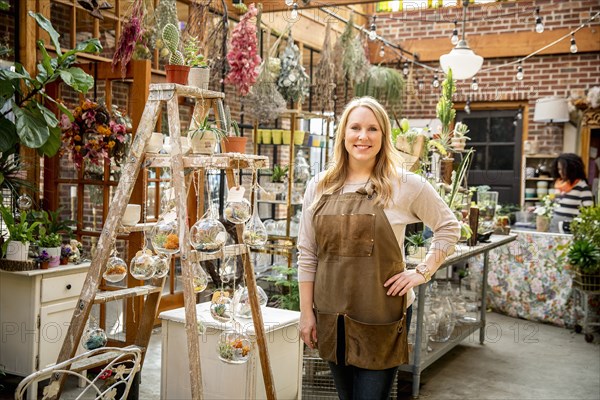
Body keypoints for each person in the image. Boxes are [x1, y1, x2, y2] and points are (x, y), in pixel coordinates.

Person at [297, 97, 460, 399]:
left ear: (384, 136)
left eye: (372, 129)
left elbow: (450, 228)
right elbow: (307, 254)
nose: (363, 136)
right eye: (355, 128)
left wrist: (422, 272)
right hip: (332, 316)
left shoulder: (406, 185)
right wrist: (307, 313)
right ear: (343, 134)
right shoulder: (318, 187)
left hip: (382, 316)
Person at [551, 153, 594, 232]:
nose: (560, 172)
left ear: (571, 169)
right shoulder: (559, 185)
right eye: (559, 169)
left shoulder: (582, 187)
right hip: (554, 227)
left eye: (563, 169)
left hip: (569, 230)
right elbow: (555, 206)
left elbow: (589, 213)